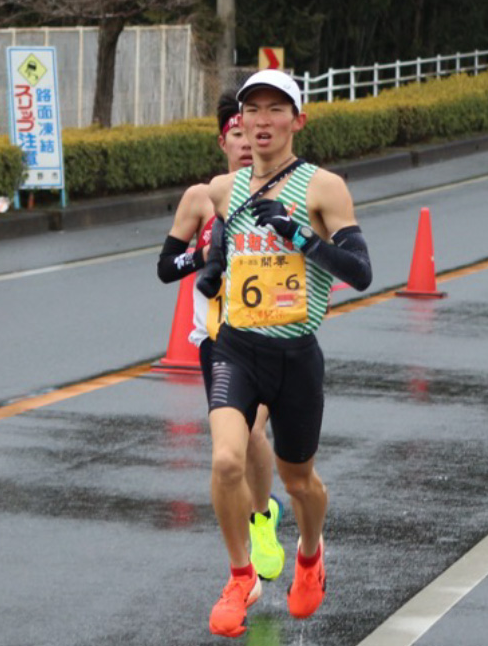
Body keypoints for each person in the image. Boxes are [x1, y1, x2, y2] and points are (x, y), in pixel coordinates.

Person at [198, 70, 372, 638]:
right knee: (227, 460)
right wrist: (211, 265)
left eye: (277, 110)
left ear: (297, 120)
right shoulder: (224, 192)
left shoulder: (324, 187)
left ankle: (310, 555)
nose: (264, 121)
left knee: (300, 483)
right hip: (236, 348)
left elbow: (361, 272)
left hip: (296, 354)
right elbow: (211, 263)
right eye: (254, 111)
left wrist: (301, 238)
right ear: (239, 123)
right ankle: (241, 575)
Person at [156, 91, 286, 584]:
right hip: (217, 338)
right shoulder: (201, 198)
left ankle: (262, 520)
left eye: (254, 131)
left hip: (275, 333)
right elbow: (166, 267)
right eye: (237, 134)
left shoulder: (288, 190)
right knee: (232, 450)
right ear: (223, 142)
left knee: (255, 432)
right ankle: (245, 555)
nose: (247, 143)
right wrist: (202, 257)